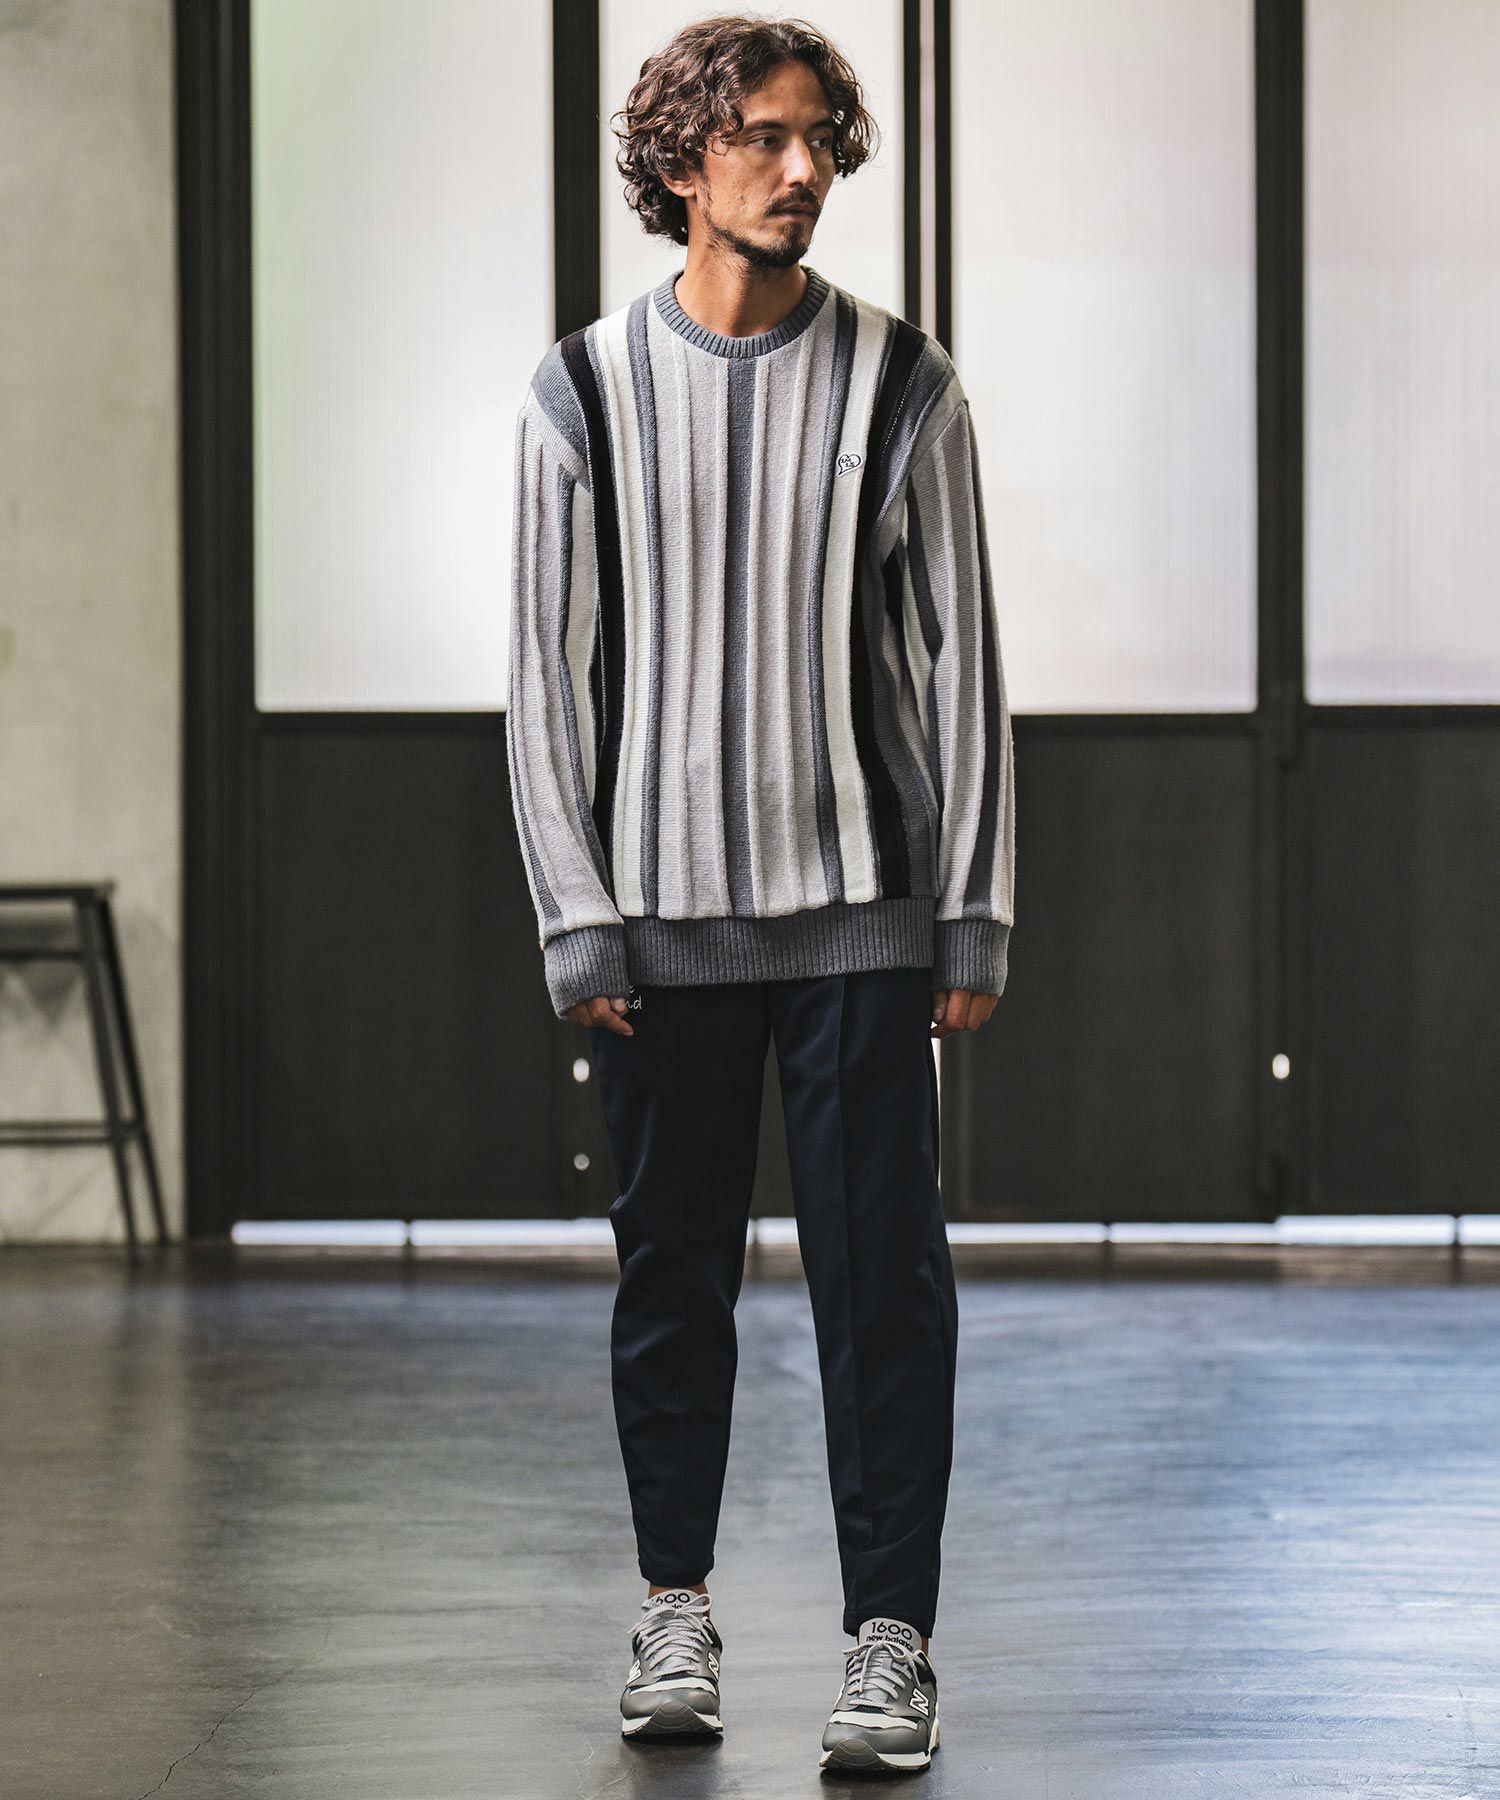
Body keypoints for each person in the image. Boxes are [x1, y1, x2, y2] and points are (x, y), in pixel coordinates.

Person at [505, 13, 1014, 1778]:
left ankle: (892, 1644)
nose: (803, 172)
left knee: (887, 1293)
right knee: (672, 1285)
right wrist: (577, 913)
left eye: (819, 141)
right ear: (680, 163)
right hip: (660, 932)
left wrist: (970, 910)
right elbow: (545, 680)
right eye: (763, 140)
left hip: (864, 920)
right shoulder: (582, 393)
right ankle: (675, 1609)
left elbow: (963, 666)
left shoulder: (906, 384)